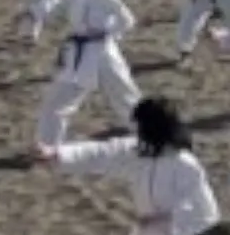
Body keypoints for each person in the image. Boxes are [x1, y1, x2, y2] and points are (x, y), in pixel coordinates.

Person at [33, 96, 219, 235]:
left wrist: (160, 223)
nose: (137, 130)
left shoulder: (185, 164)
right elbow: (103, 152)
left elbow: (197, 213)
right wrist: (58, 155)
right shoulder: (140, 151)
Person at [29, 0, 140, 146]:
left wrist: (105, 33)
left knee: (124, 95)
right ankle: (48, 144)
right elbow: (56, 12)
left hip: (101, 51)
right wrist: (35, 11)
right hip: (82, 52)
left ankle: (149, 131)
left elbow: (127, 20)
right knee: (59, 102)